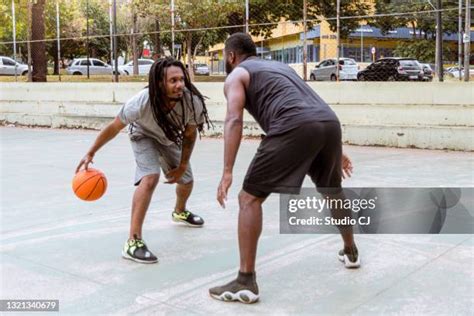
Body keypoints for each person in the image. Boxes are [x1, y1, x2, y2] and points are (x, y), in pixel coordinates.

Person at [209, 33, 360, 303]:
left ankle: (245, 281)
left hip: (294, 125)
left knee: (249, 198)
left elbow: (233, 119)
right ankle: (350, 250)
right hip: (328, 122)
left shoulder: (237, 75)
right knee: (332, 191)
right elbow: (308, 106)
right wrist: (335, 147)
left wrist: (227, 170)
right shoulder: (281, 68)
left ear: (231, 56)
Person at [76, 57, 211, 264]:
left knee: (187, 181)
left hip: (169, 137)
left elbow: (190, 135)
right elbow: (114, 127)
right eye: (173, 80)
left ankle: (180, 211)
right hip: (142, 134)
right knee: (150, 177)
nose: (180, 85)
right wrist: (91, 152)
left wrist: (182, 166)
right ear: (160, 83)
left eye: (182, 79)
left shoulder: (192, 102)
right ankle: (133, 241)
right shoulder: (141, 101)